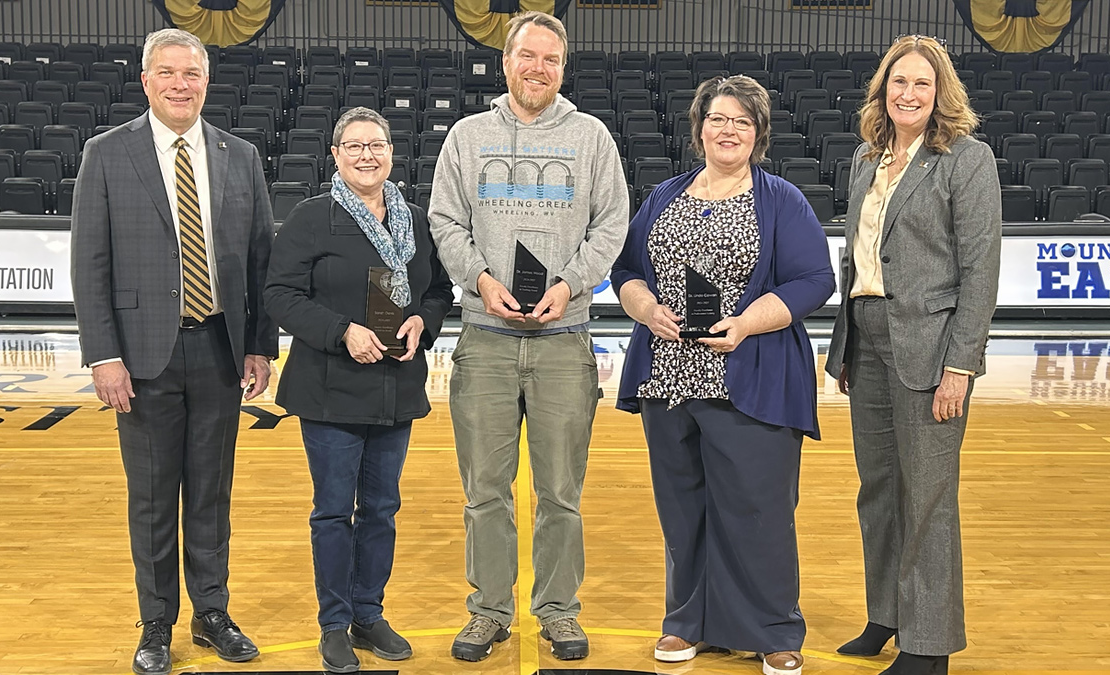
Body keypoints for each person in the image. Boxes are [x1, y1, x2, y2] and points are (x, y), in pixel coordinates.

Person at [610, 75, 834, 675]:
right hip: (669, 378)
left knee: (758, 509)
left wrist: (745, 323)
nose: (727, 130)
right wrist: (645, 308)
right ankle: (689, 622)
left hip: (751, 374)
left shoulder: (781, 199)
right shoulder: (666, 196)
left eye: (740, 121)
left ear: (758, 133)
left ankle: (773, 629)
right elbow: (626, 270)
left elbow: (815, 280)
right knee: (683, 509)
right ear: (699, 129)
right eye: (717, 119)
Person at [71, 28, 277, 675]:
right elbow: (89, 263)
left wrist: (260, 344)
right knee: (155, 497)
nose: (180, 83)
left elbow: (261, 260)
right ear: (146, 81)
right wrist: (104, 354)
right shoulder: (106, 154)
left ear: (206, 82)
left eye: (191, 73)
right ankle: (156, 623)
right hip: (141, 358)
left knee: (211, 493)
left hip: (219, 349)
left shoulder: (239, 155)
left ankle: (211, 612)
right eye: (168, 73)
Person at [428, 10, 629, 663]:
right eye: (527, 56)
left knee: (560, 492)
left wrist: (570, 284)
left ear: (562, 69)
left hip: (564, 340)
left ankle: (558, 612)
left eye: (550, 58)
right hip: (484, 337)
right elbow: (445, 220)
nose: (537, 68)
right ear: (505, 62)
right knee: (486, 489)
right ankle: (489, 610)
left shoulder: (593, 137)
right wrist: (481, 280)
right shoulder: (467, 136)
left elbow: (611, 225)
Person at [825, 35, 1000, 675]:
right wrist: (845, 346)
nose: (908, 93)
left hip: (931, 348)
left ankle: (928, 644)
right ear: (882, 90)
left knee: (927, 493)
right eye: (898, 82)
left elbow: (980, 270)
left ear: (940, 94)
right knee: (878, 489)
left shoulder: (965, 160)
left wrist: (961, 366)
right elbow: (858, 260)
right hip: (867, 337)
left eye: (922, 84)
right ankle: (887, 615)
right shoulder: (864, 160)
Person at [263, 107, 453, 673]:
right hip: (330, 389)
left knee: (381, 510)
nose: (366, 155)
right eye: (354, 146)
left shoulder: (415, 219)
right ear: (336, 156)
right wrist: (341, 331)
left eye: (376, 145)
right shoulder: (312, 217)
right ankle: (335, 623)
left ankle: (369, 614)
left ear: (391, 151)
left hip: (396, 385)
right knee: (332, 512)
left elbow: (440, 290)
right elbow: (280, 294)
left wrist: (426, 319)